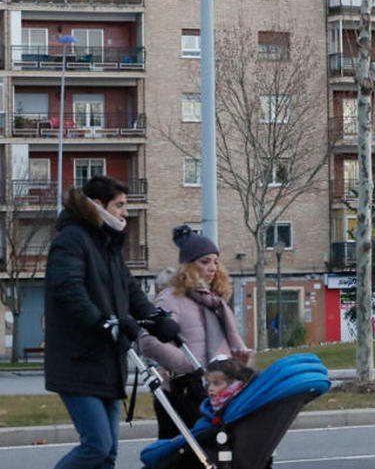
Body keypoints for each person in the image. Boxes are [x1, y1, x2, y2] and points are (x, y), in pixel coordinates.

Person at [44, 176, 181, 469]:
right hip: (78, 362)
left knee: (108, 455)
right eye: (119, 205)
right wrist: (103, 322)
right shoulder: (72, 240)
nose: (125, 212)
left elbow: (131, 291)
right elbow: (68, 289)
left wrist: (155, 319)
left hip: (108, 361)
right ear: (97, 205)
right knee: (96, 446)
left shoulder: (108, 246)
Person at [140, 225, 252, 439]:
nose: (213, 268)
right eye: (205, 261)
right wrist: (191, 367)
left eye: (216, 262)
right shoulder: (171, 298)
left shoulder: (215, 302)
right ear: (189, 266)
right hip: (182, 394)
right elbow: (149, 341)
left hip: (217, 391)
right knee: (180, 456)